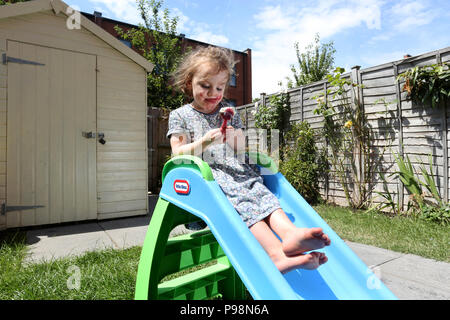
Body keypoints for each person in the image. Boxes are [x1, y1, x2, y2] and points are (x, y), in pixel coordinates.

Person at [167, 46, 330, 274]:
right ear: (189, 83)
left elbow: (241, 148)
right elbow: (178, 153)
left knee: (262, 193)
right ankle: (275, 254)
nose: (213, 92)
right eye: (205, 86)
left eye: (220, 87)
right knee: (243, 202)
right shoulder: (180, 115)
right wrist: (204, 142)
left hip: (237, 170)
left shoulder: (228, 110)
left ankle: (290, 234)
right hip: (207, 177)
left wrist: (234, 138)